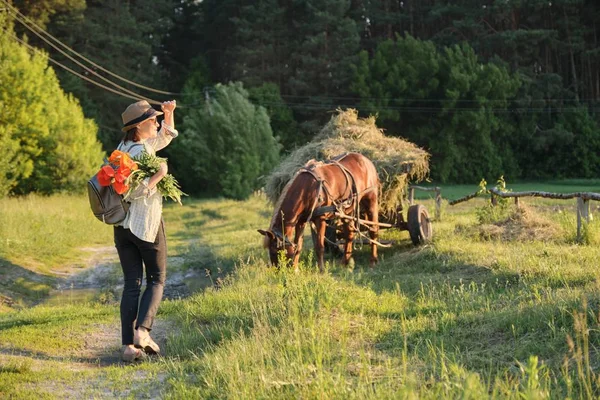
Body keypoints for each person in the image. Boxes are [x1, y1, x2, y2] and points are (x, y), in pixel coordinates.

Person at [114, 99, 178, 362]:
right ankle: (142, 331)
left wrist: (168, 114)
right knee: (156, 279)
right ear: (140, 126)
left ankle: (128, 347)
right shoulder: (142, 153)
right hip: (145, 225)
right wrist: (159, 174)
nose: (157, 123)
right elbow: (135, 191)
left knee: (131, 283)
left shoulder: (124, 148)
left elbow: (165, 137)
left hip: (122, 228)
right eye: (153, 120)